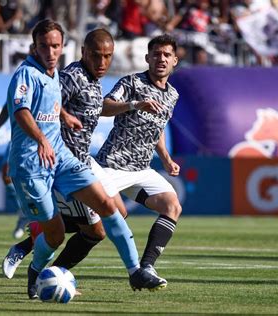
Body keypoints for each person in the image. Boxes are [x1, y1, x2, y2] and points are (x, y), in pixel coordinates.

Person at [6, 19, 164, 299]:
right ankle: (36, 264)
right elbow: (20, 108)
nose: (51, 51)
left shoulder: (58, 75)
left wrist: (66, 116)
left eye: (55, 46)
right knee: (62, 233)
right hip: (37, 162)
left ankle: (135, 271)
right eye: (45, 46)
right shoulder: (60, 75)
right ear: (82, 51)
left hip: (69, 159)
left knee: (109, 208)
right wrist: (41, 138)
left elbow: (64, 105)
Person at [96, 34, 182, 284]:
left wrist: (165, 158)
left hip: (141, 170)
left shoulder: (172, 95)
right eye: (156, 54)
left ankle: (146, 268)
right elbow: (104, 106)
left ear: (175, 60)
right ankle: (27, 244)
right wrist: (134, 105)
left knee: (172, 206)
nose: (161, 59)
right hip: (111, 166)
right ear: (147, 58)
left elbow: (157, 128)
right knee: (93, 228)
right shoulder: (132, 82)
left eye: (167, 55)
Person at [0, 105, 29, 239]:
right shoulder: (19, 86)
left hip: (45, 137)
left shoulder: (52, 86)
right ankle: (25, 212)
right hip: (18, 136)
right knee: (6, 175)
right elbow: (8, 106)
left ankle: (31, 216)